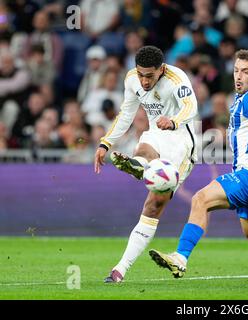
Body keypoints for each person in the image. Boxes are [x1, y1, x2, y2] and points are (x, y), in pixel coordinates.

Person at [148, 49, 248, 285]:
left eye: (246, 72)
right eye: (236, 70)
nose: (238, 76)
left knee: (201, 199)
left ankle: (180, 257)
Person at [94, 46, 198, 283]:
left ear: (161, 70)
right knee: (142, 148)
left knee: (153, 205)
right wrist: (105, 143)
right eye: (140, 74)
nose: (144, 80)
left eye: (149, 76)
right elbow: (126, 113)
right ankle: (139, 165)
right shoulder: (132, 79)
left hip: (181, 142)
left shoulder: (177, 78)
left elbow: (191, 108)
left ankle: (142, 168)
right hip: (155, 133)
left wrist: (173, 121)